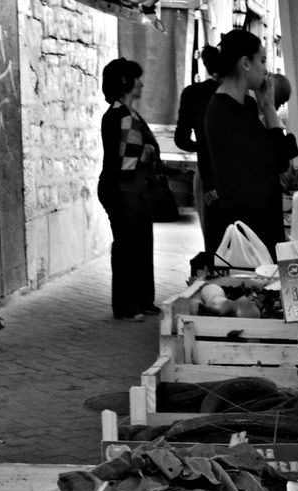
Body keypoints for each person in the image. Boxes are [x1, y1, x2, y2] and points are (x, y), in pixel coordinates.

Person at [204, 30, 298, 262]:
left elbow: (279, 155)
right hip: (248, 233)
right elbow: (280, 159)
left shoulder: (243, 105)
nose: (266, 71)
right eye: (263, 60)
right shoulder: (224, 112)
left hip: (260, 225)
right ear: (245, 63)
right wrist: (268, 108)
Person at [97, 57, 160, 322]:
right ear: (126, 82)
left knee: (138, 244)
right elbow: (130, 161)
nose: (142, 83)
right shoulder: (123, 116)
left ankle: (141, 301)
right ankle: (127, 305)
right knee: (128, 247)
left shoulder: (123, 113)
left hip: (129, 190)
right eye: (137, 78)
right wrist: (147, 154)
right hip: (125, 191)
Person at [175, 46, 220, 247]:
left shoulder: (192, 93)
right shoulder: (243, 97)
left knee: (211, 239)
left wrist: (201, 146)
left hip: (206, 174)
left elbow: (181, 139)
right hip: (236, 178)